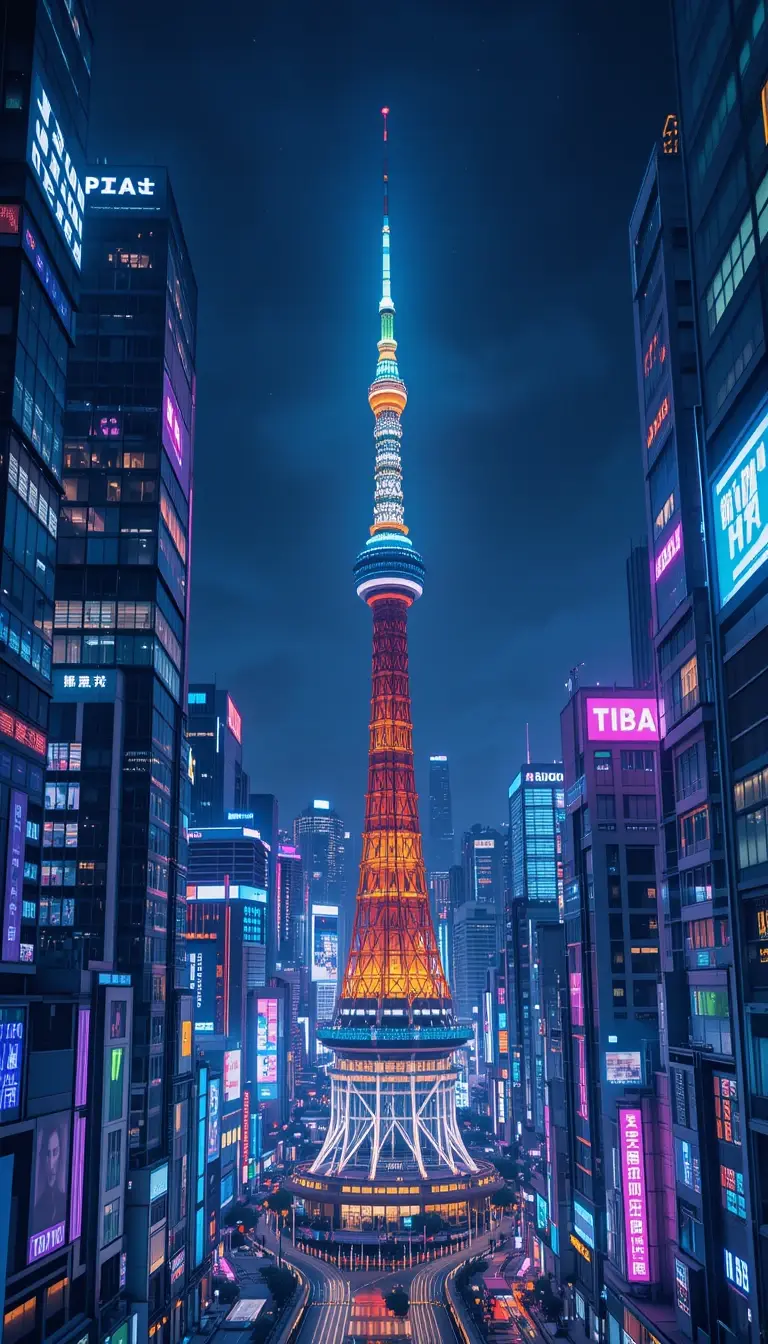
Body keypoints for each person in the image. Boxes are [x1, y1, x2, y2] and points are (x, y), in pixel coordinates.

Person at [33, 1121, 66, 1230]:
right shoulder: (36, 1207)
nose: (51, 1162)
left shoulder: (67, 1201)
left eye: (55, 1152)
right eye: (47, 1154)